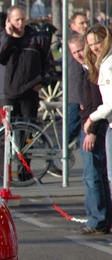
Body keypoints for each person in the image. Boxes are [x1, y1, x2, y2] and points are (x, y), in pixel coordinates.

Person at [69, 32, 112, 234]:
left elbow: (99, 103)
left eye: (80, 50)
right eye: (74, 52)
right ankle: (102, 217)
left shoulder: (97, 68)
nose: (78, 54)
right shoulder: (89, 68)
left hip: (96, 126)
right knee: (100, 175)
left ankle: (98, 219)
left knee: (93, 174)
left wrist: (92, 130)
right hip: (92, 124)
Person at [0, 5, 54, 119]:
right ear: (8, 21)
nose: (20, 23)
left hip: (29, 94)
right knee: (8, 133)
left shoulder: (37, 39)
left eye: (23, 19)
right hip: (7, 95)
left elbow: (49, 63)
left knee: (29, 133)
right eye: (17, 20)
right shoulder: (1, 38)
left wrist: (42, 82)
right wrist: (7, 36)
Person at [84, 24, 112, 220]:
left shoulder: (108, 64)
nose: (94, 47)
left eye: (97, 42)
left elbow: (110, 103)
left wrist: (92, 118)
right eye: (91, 44)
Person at [67, 13, 88, 146]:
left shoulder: (82, 40)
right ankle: (57, 155)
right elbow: (76, 74)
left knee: (74, 129)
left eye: (86, 22)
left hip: (78, 94)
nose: (85, 26)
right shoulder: (75, 44)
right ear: (73, 26)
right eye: (82, 23)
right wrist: (81, 100)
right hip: (76, 95)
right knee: (72, 129)